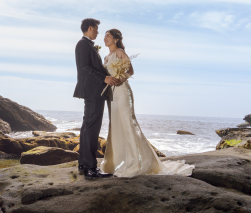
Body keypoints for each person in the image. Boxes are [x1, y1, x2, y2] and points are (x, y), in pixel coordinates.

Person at [99, 28, 194, 177]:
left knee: (127, 123)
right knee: (115, 124)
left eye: (108, 36)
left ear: (116, 39)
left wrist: (120, 78)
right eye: (104, 36)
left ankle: (135, 162)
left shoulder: (120, 53)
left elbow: (130, 71)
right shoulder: (106, 57)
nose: (105, 38)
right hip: (111, 94)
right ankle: (117, 162)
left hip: (122, 91)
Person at [74, 18, 118, 180]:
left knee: (87, 127)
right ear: (90, 28)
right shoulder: (83, 44)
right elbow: (84, 68)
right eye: (97, 29)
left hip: (92, 92)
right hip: (93, 92)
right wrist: (104, 78)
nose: (98, 32)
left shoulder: (86, 45)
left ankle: (83, 164)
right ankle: (91, 169)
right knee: (91, 129)